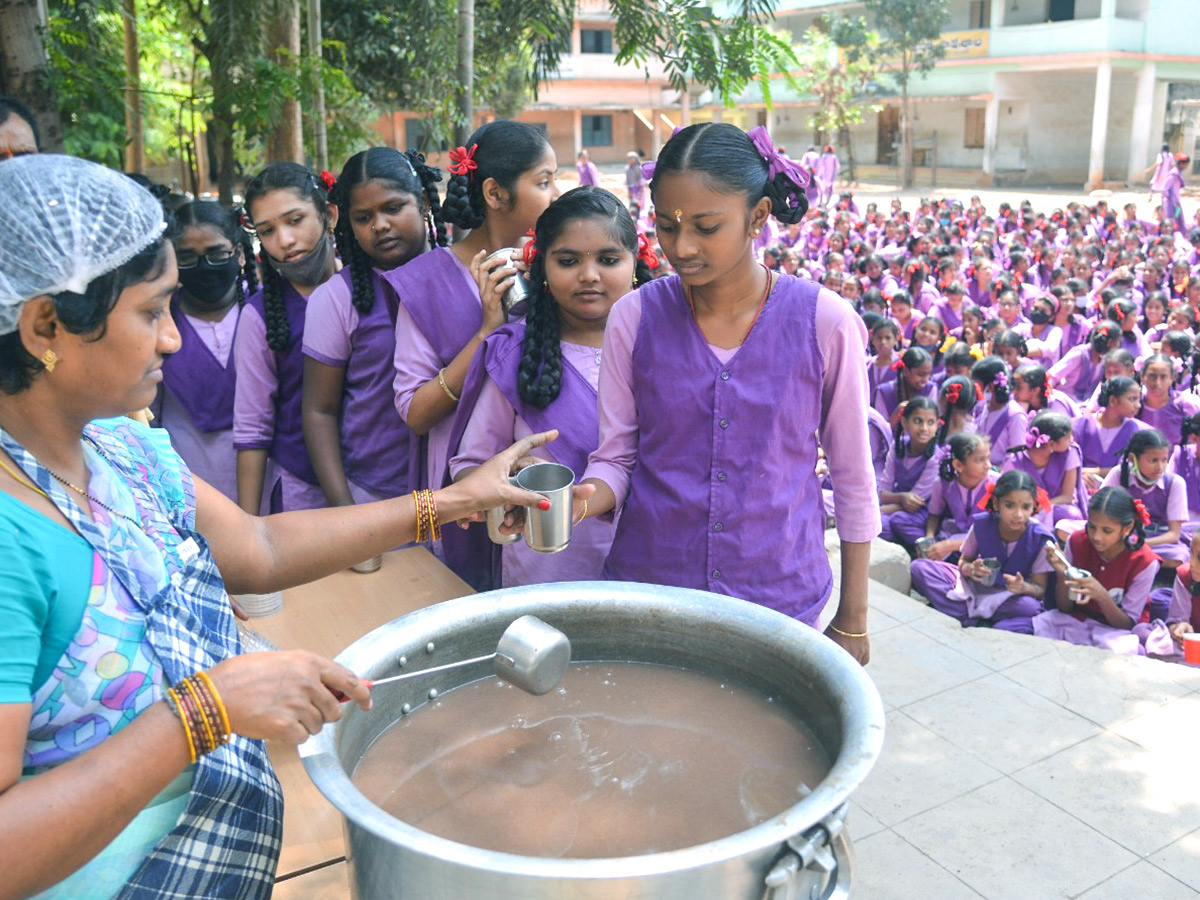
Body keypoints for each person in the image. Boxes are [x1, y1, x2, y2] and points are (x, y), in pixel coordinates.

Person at [0, 154, 560, 899]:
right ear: (46, 326)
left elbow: (258, 547)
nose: (171, 338)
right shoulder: (11, 539)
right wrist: (202, 714)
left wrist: (452, 502)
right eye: (150, 312)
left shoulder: (121, 447)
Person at [578, 122, 877, 662]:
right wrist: (582, 499)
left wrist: (853, 617)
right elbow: (616, 457)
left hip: (779, 596)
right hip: (652, 588)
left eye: (706, 226)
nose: (681, 246)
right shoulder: (634, 317)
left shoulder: (825, 322)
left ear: (757, 217)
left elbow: (854, 476)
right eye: (666, 225)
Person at [448, 186, 652, 588]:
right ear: (541, 268)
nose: (589, 275)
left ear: (634, 263)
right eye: (568, 260)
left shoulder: (664, 347)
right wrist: (513, 478)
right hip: (545, 575)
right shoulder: (517, 354)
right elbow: (469, 468)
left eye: (608, 259)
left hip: (649, 566)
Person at [387, 120, 560, 498]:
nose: (556, 194)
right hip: (462, 489)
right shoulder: (426, 282)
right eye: (544, 182)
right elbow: (416, 414)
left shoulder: (558, 267)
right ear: (495, 193)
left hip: (549, 475)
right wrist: (486, 332)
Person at [302, 148, 446, 511]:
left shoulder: (463, 278)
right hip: (375, 494)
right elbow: (320, 410)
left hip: (459, 488)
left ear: (425, 202)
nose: (379, 225)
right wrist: (347, 510)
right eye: (364, 217)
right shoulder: (336, 299)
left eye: (394, 208)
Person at [233, 163, 340, 514]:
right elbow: (252, 429)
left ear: (329, 214)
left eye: (295, 220)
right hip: (302, 497)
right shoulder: (257, 316)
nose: (285, 240)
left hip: (387, 484)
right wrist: (249, 530)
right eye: (267, 230)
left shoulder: (371, 289)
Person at [153, 201, 257, 502]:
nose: (204, 267)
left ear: (238, 254)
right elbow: (150, 416)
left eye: (216, 254)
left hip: (264, 482)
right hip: (184, 484)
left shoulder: (266, 315)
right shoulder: (160, 323)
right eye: (187, 258)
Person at [911, 470, 1055, 632]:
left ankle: (960, 613)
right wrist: (971, 569)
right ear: (996, 503)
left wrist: (1023, 587)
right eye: (1009, 505)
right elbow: (963, 562)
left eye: (1026, 507)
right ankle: (980, 620)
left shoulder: (1040, 538)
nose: (1018, 514)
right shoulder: (982, 525)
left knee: (1030, 609)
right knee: (919, 568)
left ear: (1034, 506)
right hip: (975, 587)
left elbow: (1039, 589)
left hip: (1008, 597)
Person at [1035, 487, 1169, 656]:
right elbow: (1065, 608)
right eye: (1092, 527)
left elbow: (1127, 624)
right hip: (1076, 621)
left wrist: (1101, 595)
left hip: (1115, 632)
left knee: (1132, 650)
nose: (1097, 537)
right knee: (1028, 626)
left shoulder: (1145, 561)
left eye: (1107, 531)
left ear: (1127, 528)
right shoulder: (1076, 541)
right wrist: (1063, 575)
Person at [1099, 427, 1189, 568]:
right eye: (1153, 460)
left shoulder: (1175, 483)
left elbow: (1174, 534)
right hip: (1120, 534)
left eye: (1164, 460)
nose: (1160, 467)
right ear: (1132, 458)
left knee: (1178, 557)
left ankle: (1130, 558)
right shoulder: (1118, 474)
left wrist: (1141, 544)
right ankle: (1141, 560)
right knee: (1066, 528)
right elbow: (1101, 511)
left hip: (1156, 540)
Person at [917, 432, 995, 563]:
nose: (988, 465)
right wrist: (929, 537)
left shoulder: (996, 484)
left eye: (988, 458)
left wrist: (949, 545)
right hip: (952, 534)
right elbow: (934, 514)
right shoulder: (943, 484)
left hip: (984, 542)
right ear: (958, 465)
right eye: (980, 460)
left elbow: (996, 532)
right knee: (901, 521)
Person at [878, 396, 942, 548]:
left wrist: (876, 511)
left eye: (930, 423)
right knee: (880, 524)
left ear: (937, 426)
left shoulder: (935, 458)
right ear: (905, 422)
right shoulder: (897, 446)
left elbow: (915, 503)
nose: (924, 429)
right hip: (896, 504)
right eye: (918, 421)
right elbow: (883, 492)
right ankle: (907, 547)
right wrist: (901, 497)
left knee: (888, 522)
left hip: (921, 514)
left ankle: (927, 547)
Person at [1002, 411, 1086, 527]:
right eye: (1067, 437)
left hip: (1056, 506)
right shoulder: (1014, 461)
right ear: (1051, 444)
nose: (1071, 440)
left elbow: (1067, 496)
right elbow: (1006, 495)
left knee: (1071, 515)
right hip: (1023, 509)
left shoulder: (1070, 453)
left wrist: (1044, 506)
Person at [1073, 376, 1145, 489]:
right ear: (1113, 401)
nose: (1138, 405)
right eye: (1132, 399)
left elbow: (1127, 469)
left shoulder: (1135, 430)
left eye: (1138, 400)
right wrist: (1077, 476)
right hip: (1077, 485)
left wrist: (1086, 471)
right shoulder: (1080, 424)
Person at [971, 357, 1027, 467]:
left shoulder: (1015, 415)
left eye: (977, 386)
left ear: (990, 387)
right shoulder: (984, 407)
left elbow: (1017, 457)